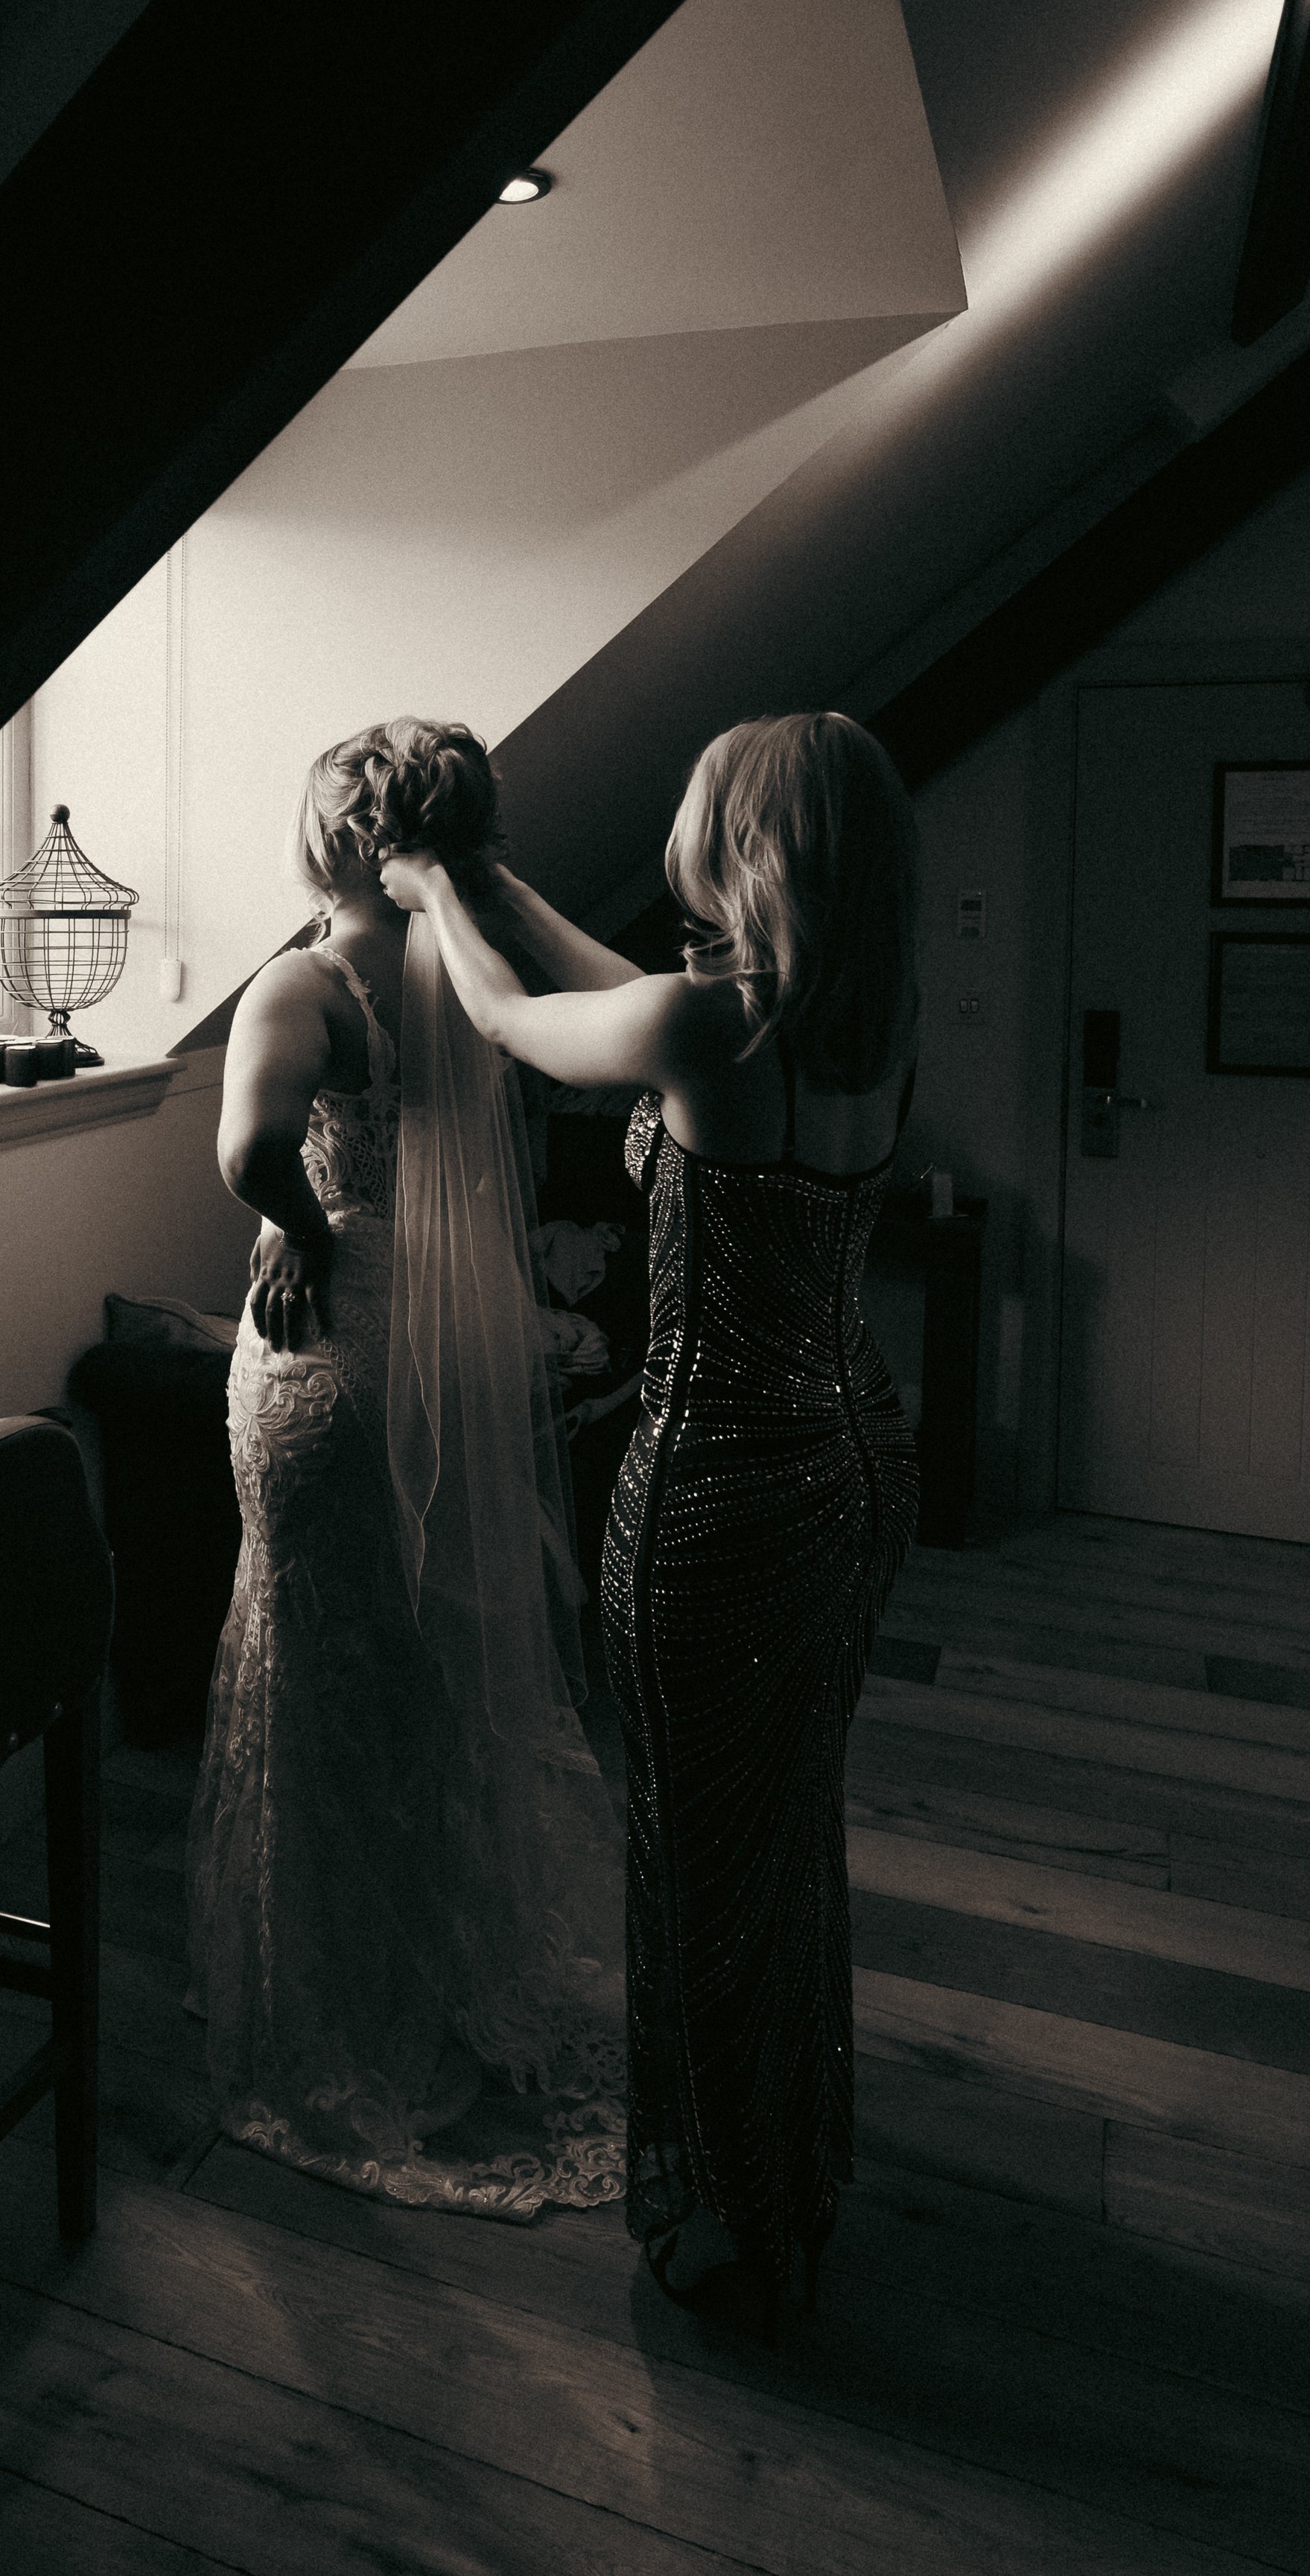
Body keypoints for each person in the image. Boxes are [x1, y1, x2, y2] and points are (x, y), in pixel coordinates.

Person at [381, 710, 921, 2330]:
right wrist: (494, 878)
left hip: (717, 1490)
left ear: (750, 849)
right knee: (785, 1831)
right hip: (850, 1466)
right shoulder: (857, 1025)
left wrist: (431, 894)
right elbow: (626, 994)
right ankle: (788, 2156)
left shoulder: (705, 1026)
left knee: (691, 1849)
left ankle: (726, 2205)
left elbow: (523, 1024)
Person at [186, 717, 625, 2216]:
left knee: (314, 1670)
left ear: (334, 834)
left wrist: (302, 1231)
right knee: (424, 1676)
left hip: (328, 1353)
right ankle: (431, 1977)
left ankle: (324, 2005)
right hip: (445, 1339)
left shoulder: (303, 982)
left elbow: (250, 1153)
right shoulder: (460, 974)